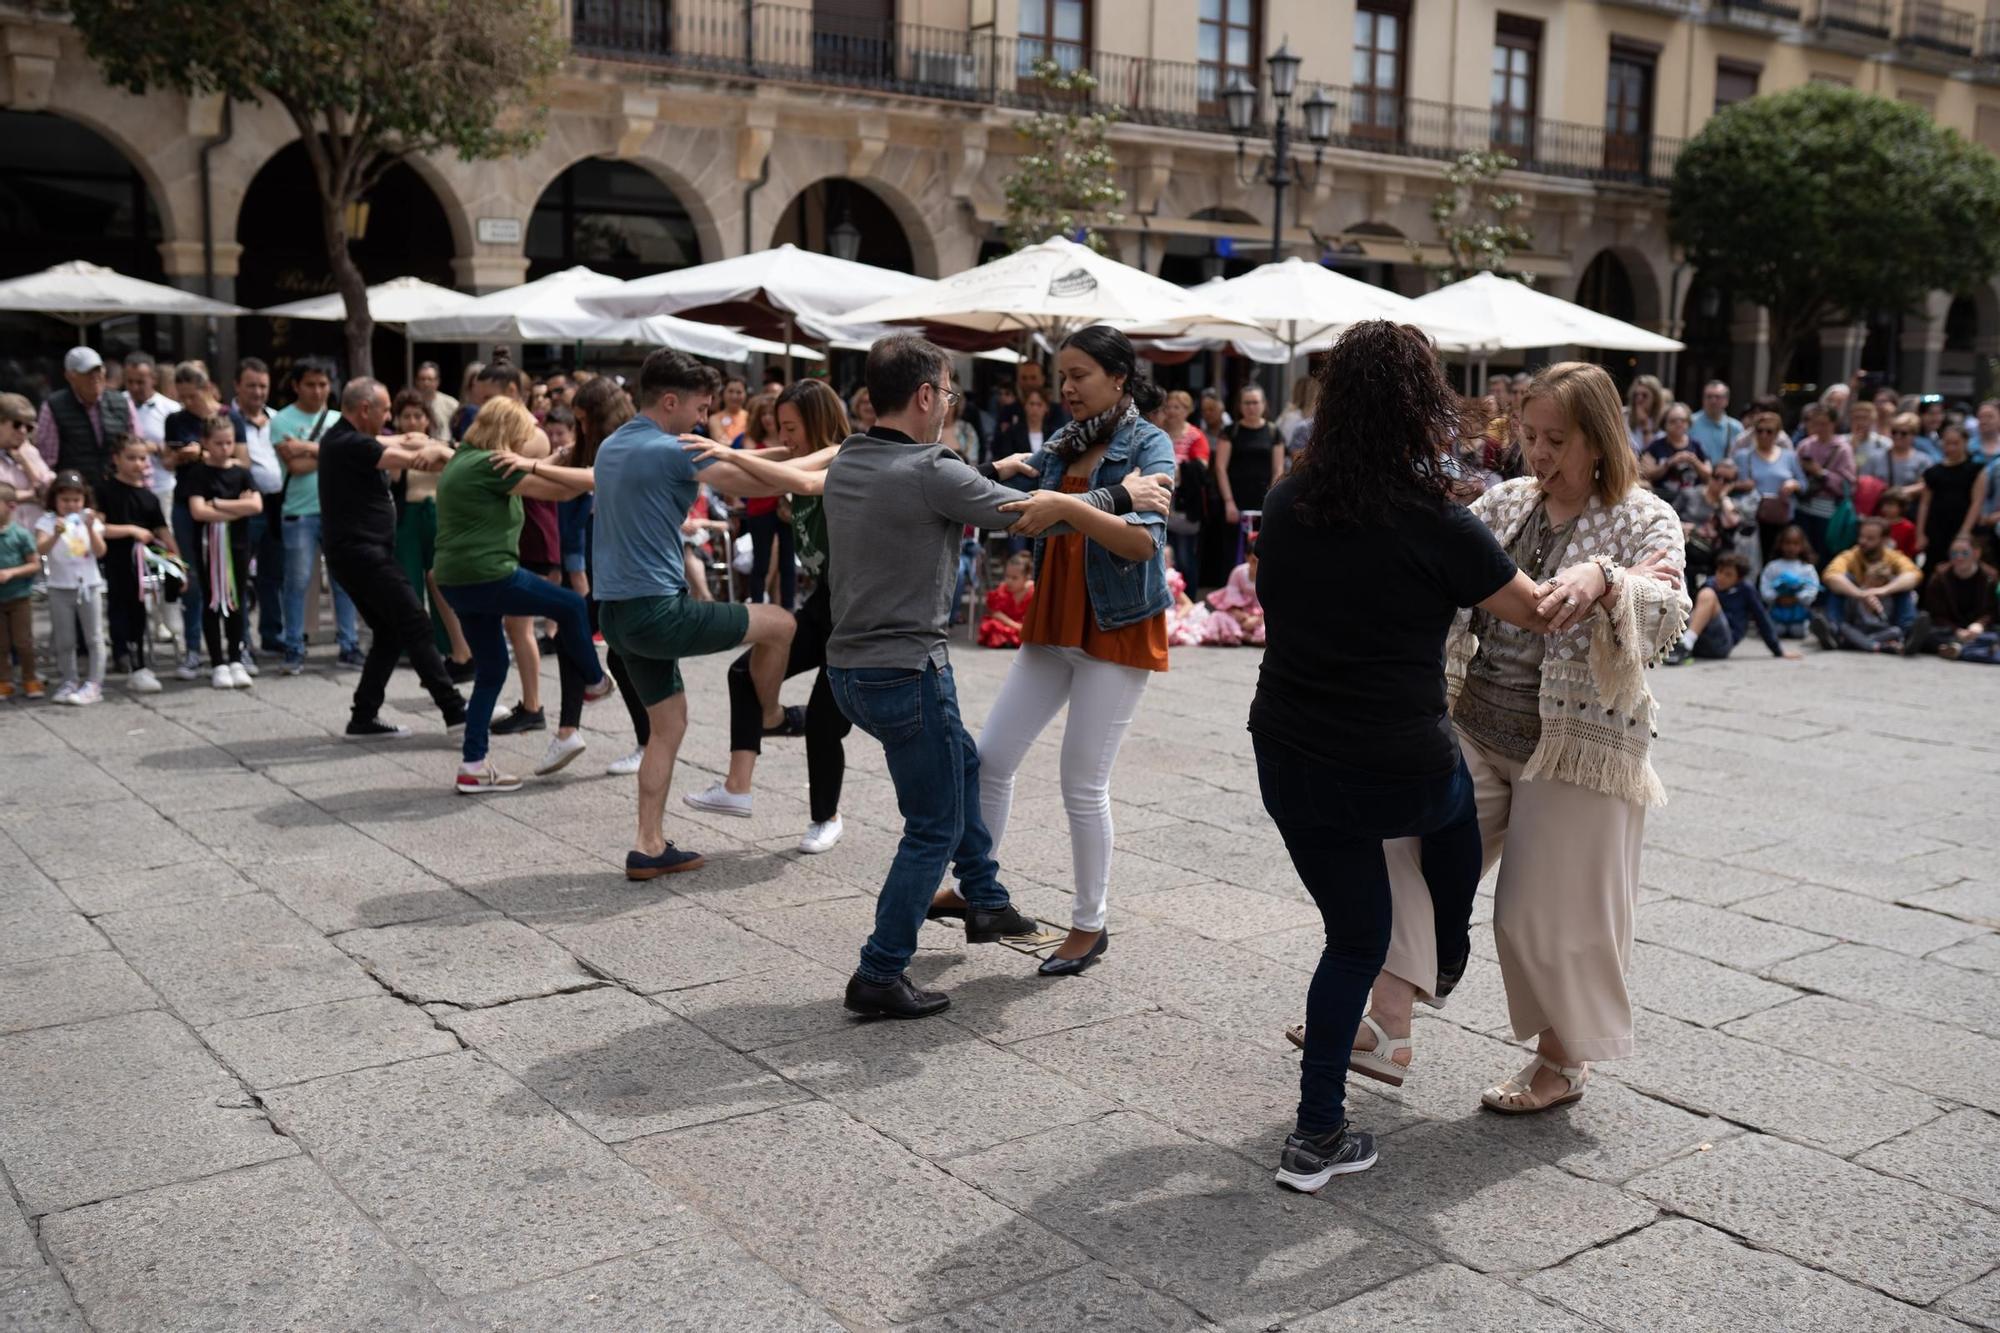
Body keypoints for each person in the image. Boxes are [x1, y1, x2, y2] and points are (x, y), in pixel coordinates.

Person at [1252, 322, 1570, 1191]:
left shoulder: (1288, 497)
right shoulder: (1438, 520)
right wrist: (1620, 575)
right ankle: (1451, 947)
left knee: (1351, 940)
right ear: (1420, 406)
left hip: (1287, 751)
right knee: (1454, 812)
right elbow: (1536, 609)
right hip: (1397, 759)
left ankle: (1316, 1134)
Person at [1342, 361, 1690, 1123]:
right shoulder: (1503, 502)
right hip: (1473, 720)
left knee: (1538, 913)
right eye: (1529, 434)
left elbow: (1671, 607)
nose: (1537, 451)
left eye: (1556, 439)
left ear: (1598, 439)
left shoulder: (1644, 515)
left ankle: (1563, 1059)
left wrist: (1605, 577)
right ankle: (1385, 1020)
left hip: (1577, 743)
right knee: (1400, 840)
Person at [822, 334, 1053, 1019]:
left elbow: (922, 482)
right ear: (925, 395)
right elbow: (1028, 515)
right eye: (949, 393)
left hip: (849, 672)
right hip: (907, 670)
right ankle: (879, 970)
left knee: (963, 761)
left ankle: (984, 897)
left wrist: (980, 466)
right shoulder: (932, 470)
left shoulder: (850, 459)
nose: (949, 405)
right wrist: (1117, 493)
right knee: (931, 824)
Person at [939, 325, 1179, 979]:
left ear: (1120, 378)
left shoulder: (1148, 442)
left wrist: (1067, 505)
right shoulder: (1061, 445)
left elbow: (1141, 542)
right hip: (1053, 622)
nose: (1065, 387)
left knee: (1082, 781)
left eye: (1079, 375)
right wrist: (1004, 480)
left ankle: (1088, 924)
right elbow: (1018, 511)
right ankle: (974, 886)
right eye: (1061, 375)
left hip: (1115, 626)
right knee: (991, 760)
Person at [592, 350, 797, 877]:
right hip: (659, 613)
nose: (703, 421)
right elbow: (755, 482)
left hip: (615, 617)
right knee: (781, 624)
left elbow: (738, 459)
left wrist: (800, 448)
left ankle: (649, 846)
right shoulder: (672, 450)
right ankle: (771, 716)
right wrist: (834, 456)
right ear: (670, 402)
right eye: (701, 410)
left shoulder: (614, 445)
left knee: (669, 724)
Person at [679, 379, 855, 853]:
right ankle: (747, 770)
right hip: (825, 601)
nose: (785, 436)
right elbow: (758, 473)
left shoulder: (846, 454)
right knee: (744, 672)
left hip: (860, 615)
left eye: (792, 427)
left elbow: (797, 475)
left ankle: (826, 816)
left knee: (823, 720)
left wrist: (730, 451)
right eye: (781, 427)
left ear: (816, 422)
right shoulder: (797, 452)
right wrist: (703, 460)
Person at [437, 397, 610, 792]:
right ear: (508, 433)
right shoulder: (489, 464)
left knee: (493, 668)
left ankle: (472, 766)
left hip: (457, 581)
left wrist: (559, 458)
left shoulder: (465, 459)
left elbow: (529, 473)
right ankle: (595, 681)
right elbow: (559, 493)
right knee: (569, 604)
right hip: (488, 575)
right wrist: (598, 471)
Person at [319, 378, 469, 740]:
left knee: (389, 634)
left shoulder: (342, 437)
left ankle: (363, 717)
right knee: (415, 621)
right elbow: (409, 457)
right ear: (365, 409)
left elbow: (397, 440)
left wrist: (428, 442)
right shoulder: (348, 442)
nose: (390, 418)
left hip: (358, 553)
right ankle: (455, 711)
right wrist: (453, 452)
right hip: (361, 553)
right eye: (385, 410)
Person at [270, 360, 361, 672]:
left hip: (337, 512)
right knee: (296, 582)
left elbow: (349, 461)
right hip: (298, 513)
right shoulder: (282, 420)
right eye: (310, 384)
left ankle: (349, 645)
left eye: (323, 384)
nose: (318, 390)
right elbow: (294, 467)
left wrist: (307, 448)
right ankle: (293, 646)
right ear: (296, 386)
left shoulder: (340, 419)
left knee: (345, 582)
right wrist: (330, 453)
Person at [387, 390, 472, 683]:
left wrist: (434, 450)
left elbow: (457, 465)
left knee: (442, 582)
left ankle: (451, 646)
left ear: (428, 418)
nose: (412, 421)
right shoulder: (393, 447)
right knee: (407, 584)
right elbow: (395, 478)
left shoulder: (444, 446)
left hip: (438, 515)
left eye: (418, 415)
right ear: (398, 419)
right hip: (407, 518)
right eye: (407, 415)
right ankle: (410, 647)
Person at [178, 416, 262, 689]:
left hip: (238, 546)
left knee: (237, 598)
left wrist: (220, 504)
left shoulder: (241, 473)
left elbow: (256, 506)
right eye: (218, 443)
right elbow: (198, 511)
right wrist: (237, 507)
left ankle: (237, 657)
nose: (224, 448)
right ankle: (218, 661)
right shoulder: (198, 474)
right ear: (205, 443)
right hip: (208, 547)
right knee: (213, 600)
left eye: (229, 443)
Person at [97, 438, 176, 694]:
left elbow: (161, 529)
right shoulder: (105, 491)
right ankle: (125, 655)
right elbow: (98, 528)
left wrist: (175, 555)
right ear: (116, 459)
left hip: (142, 566)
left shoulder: (148, 497)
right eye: (131, 458)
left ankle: (140, 662)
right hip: (117, 562)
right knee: (120, 610)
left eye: (142, 458)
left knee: (140, 612)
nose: (138, 464)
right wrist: (131, 530)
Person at [35, 471, 108, 705]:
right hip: (59, 587)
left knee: (94, 637)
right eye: (65, 500)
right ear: (55, 500)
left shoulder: (90, 520)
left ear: (84, 499)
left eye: (76, 500)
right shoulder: (47, 521)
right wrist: (55, 534)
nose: (71, 505)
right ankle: (69, 680)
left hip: (89, 585)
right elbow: (41, 549)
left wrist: (89, 528)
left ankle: (95, 684)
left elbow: (100, 551)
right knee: (65, 639)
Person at [1666, 552, 1797, 664]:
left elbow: (1761, 618)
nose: (1721, 577)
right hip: (1699, 645)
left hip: (1721, 644)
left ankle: (1685, 644)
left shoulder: (1746, 590)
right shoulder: (1710, 583)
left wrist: (1778, 650)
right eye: (1720, 571)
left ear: (1738, 579)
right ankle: (1678, 645)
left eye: (1728, 574)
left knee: (1707, 594)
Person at [1812, 517, 1923, 650]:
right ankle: (1833, 631)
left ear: (1884, 540)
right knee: (1839, 583)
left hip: (1886, 620)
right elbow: (1830, 575)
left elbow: (1914, 575)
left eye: (1870, 538)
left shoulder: (1894, 557)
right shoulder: (1850, 556)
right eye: (1861, 536)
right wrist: (1860, 593)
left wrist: (1884, 590)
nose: (1863, 541)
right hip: (1855, 617)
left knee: (1903, 585)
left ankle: (1908, 634)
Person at [34, 346, 137, 483]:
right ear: (70, 376)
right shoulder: (54, 407)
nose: (95, 377)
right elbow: (47, 459)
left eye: (98, 370)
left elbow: (137, 448)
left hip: (117, 490)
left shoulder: (122, 402)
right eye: (87, 372)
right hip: (76, 493)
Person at [734, 392, 795, 610]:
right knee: (760, 562)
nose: (768, 418)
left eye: (772, 414)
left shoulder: (790, 441)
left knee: (787, 563)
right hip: (760, 507)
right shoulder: (751, 440)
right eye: (764, 414)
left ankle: (789, 608)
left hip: (785, 508)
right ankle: (758, 606)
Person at [1733, 410, 1807, 562]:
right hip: (1754, 518)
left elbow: (1804, 484)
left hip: (1782, 517)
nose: (1764, 435)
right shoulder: (1743, 456)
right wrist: (1742, 485)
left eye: (1769, 431)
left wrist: (1794, 484)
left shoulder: (1789, 456)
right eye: (1759, 431)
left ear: (1777, 433)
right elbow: (1731, 486)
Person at [1158, 389, 1210, 585]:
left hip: (1183, 505)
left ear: (1187, 410)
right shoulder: (1158, 432)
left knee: (1184, 556)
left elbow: (1201, 468)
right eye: (1169, 406)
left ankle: (1187, 600)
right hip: (1159, 499)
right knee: (1163, 555)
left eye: (1177, 407)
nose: (1171, 411)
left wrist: (1174, 471)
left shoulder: (1195, 436)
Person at [1793, 403, 1855, 564]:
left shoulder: (1842, 449)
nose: (1819, 428)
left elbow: (1847, 484)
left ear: (1833, 424)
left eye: (1824, 423)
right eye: (1815, 423)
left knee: (1822, 554)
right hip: (1803, 506)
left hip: (1827, 511)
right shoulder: (1805, 445)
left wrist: (1821, 473)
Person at [1215, 384, 1281, 527]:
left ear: (1264, 404)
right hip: (1234, 499)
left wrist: (1271, 500)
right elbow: (1220, 468)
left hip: (1264, 498)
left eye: (1255, 402)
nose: (1251, 407)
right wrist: (1228, 501)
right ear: (1240, 406)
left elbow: (1278, 469)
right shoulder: (1230, 431)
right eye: (1247, 403)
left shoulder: (1274, 431)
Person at [1924, 537, 1997, 660]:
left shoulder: (1990, 578)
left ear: (1976, 553)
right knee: (1929, 634)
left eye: (1965, 553)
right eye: (1954, 553)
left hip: (1979, 631)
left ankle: (1957, 650)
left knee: (1993, 637)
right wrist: (1956, 631)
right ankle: (1966, 649)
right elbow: (1936, 614)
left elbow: (1992, 611)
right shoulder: (1939, 578)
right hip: (1949, 630)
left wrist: (1980, 624)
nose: (1959, 557)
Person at [1918, 423, 1981, 562]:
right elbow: (1924, 504)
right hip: (1936, 527)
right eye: (1947, 443)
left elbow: (1977, 502)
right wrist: (1920, 533)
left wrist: (1965, 531)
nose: (1951, 448)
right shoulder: (1932, 472)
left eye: (1956, 443)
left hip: (1962, 524)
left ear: (1965, 443)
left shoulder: (1976, 470)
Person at [0, 482, 38, 700]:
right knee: (1, 644)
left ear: (11, 506)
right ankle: (4, 680)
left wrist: (11, 573)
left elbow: (34, 565)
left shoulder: (21, 535)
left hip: (19, 598)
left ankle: (29, 678)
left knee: (23, 642)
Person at [0, 394, 53, 535]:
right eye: (17, 424)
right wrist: (30, 495)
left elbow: (49, 491)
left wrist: (25, 462)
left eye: (28, 427)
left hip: (36, 538)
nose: (23, 431)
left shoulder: (30, 452)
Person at [1758, 525, 1821, 640]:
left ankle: (1808, 624)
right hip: (1777, 610)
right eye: (1787, 543)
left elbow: (1812, 588)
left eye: (1795, 544)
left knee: (1798, 632)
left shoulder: (1807, 568)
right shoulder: (1773, 566)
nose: (1791, 547)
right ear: (1781, 544)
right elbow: (1765, 586)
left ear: (1802, 546)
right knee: (1777, 630)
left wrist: (1797, 598)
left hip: (1798, 610)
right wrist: (1777, 597)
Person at [1639, 403, 1709, 503]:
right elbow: (1645, 473)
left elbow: (1709, 475)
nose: (1679, 424)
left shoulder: (1697, 446)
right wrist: (1668, 463)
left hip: (1690, 502)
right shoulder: (1656, 446)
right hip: (1662, 498)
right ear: (1664, 424)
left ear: (1688, 423)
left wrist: (1694, 461)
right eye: (1673, 421)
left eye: (1683, 420)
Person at [978, 552, 1035, 648]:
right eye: (1007, 576)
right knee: (993, 625)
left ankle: (1011, 640)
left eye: (1014, 578)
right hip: (1008, 623)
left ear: (1026, 577)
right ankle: (1009, 640)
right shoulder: (1002, 589)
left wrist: (1023, 626)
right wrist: (1015, 626)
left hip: (1024, 625)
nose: (1009, 581)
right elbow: (995, 613)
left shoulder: (1033, 591)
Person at [1688, 380, 1740, 464]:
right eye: (1709, 397)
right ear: (1703, 399)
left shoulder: (1735, 427)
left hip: (1722, 476)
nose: (1713, 401)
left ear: (1726, 400)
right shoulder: (1690, 423)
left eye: (1718, 397)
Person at [1624, 374, 1669, 454]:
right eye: (1636, 395)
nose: (1639, 399)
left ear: (1655, 398)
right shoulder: (1623, 415)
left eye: (1644, 395)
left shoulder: (1664, 419)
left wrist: (1645, 426)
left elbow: (1651, 453)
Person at [415, 361, 457, 441]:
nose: (426, 383)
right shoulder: (411, 404)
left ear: (437, 381)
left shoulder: (451, 404)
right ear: (417, 381)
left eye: (430, 379)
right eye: (422, 379)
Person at [708, 375, 749, 446]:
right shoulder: (714, 419)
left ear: (745, 394)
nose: (734, 396)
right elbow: (722, 444)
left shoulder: (751, 417)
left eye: (739, 392)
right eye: (730, 391)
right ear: (723, 393)